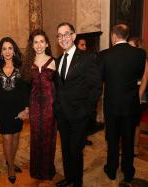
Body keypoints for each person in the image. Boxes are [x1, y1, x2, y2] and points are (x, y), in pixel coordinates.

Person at [54, 22, 102, 187]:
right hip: (62, 115)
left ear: (74, 36)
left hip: (79, 115)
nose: (63, 38)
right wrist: (57, 109)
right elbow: (60, 87)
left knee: (76, 151)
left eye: (66, 34)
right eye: (59, 35)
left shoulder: (87, 57)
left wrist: (87, 111)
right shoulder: (58, 60)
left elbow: (96, 87)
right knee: (66, 150)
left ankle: (77, 183)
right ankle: (69, 178)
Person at [99, 24, 146, 185]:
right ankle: (128, 172)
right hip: (130, 105)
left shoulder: (104, 55)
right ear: (126, 36)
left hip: (112, 105)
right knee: (127, 139)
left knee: (112, 139)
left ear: (113, 36)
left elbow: (102, 78)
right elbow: (139, 75)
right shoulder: (140, 53)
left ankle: (111, 170)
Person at [0, 37, 29, 184]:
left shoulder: (21, 68)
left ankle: (10, 161)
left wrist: (27, 109)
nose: (7, 51)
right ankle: (10, 168)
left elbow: (27, 90)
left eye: (10, 48)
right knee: (7, 137)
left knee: (15, 136)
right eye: (4, 49)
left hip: (18, 109)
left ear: (14, 50)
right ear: (1, 52)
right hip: (1, 110)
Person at [26, 29, 57, 180]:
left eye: (42, 42)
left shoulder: (53, 62)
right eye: (36, 42)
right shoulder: (28, 64)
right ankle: (36, 170)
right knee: (35, 137)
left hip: (49, 106)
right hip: (34, 106)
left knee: (48, 137)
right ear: (32, 45)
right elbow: (25, 88)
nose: (39, 45)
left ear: (46, 44)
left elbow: (59, 87)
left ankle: (47, 170)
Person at [128, 37, 148, 155]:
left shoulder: (145, 62)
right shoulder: (129, 60)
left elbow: (145, 81)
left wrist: (136, 98)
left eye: (131, 46)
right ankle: (126, 145)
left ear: (138, 47)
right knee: (128, 122)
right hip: (129, 95)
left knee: (136, 123)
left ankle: (135, 146)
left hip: (139, 96)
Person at [75, 37, 95, 146]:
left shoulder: (88, 59)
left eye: (85, 45)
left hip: (86, 96)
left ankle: (84, 138)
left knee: (85, 120)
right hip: (76, 99)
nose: (85, 47)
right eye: (82, 45)